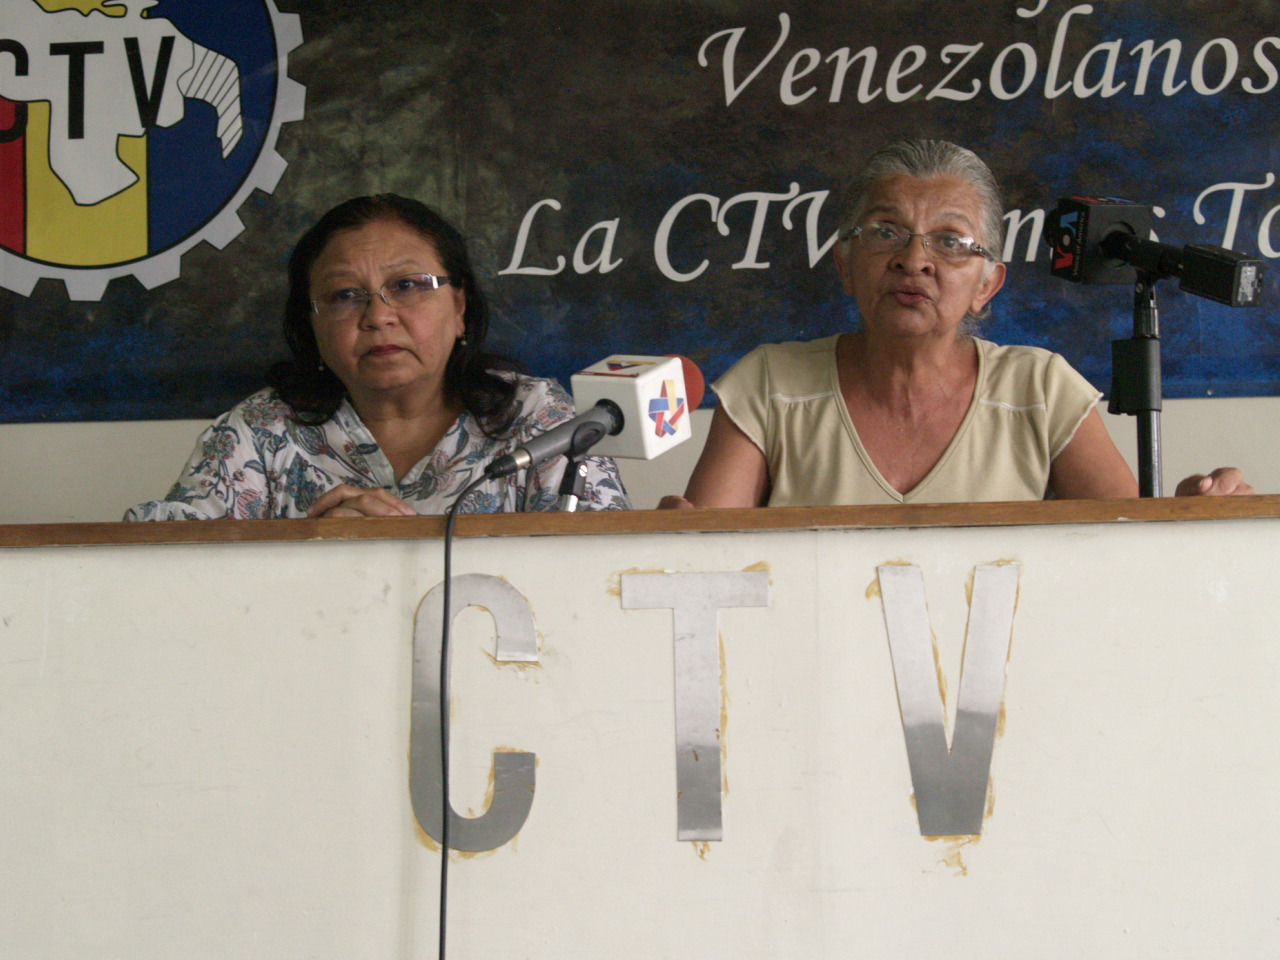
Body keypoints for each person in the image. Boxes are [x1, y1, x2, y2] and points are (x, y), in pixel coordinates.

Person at [664, 138, 1252, 508]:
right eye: (887, 232)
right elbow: (711, 559)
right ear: (844, 264)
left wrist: (1190, 516)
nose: (914, 259)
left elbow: (1126, 554)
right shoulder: (769, 385)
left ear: (987, 285)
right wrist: (677, 544)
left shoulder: (1040, 390)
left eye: (950, 241)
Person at [126, 195, 630, 520]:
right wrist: (300, 553)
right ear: (313, 324)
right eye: (345, 295)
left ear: (459, 307)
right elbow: (157, 566)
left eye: (407, 286)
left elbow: (593, 580)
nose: (378, 316)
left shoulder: (539, 420)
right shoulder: (260, 433)